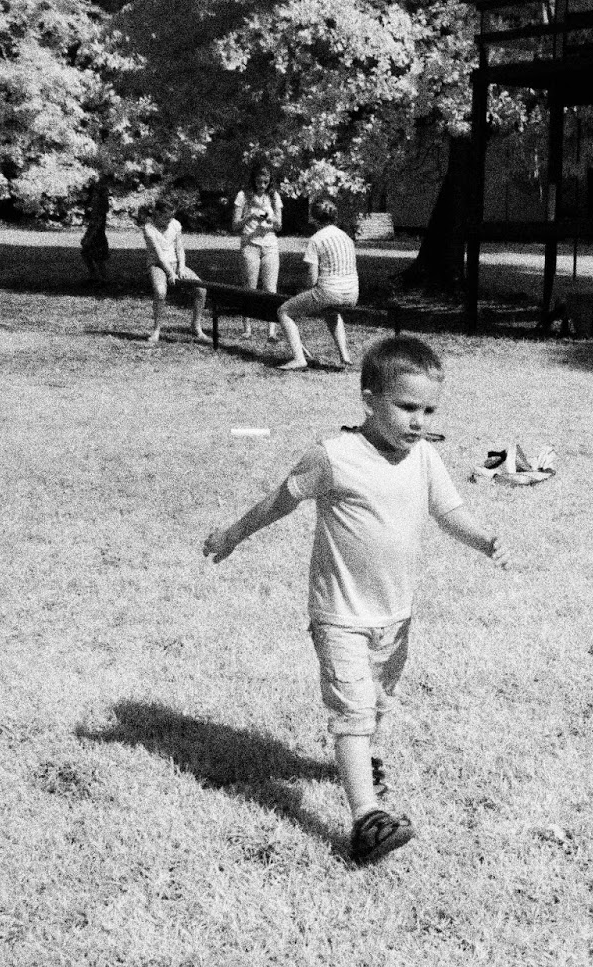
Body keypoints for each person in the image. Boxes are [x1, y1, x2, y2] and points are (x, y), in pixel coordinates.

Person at [202, 336, 508, 865]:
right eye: (407, 407)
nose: (418, 421)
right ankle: (367, 818)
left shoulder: (424, 457)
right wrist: (232, 534)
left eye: (428, 410)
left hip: (396, 615)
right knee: (353, 712)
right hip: (340, 615)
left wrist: (483, 539)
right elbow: (277, 502)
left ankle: (362, 762)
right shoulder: (334, 456)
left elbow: (448, 512)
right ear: (369, 400)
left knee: (378, 703)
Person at [277, 195, 358, 371]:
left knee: (284, 311)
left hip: (329, 292)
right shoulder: (346, 237)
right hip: (352, 293)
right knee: (331, 311)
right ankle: (345, 356)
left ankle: (299, 359)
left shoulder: (316, 239)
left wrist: (301, 292)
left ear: (313, 218)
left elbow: (312, 279)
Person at [140, 198, 205, 344]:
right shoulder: (149, 228)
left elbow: (180, 248)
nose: (169, 221)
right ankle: (156, 330)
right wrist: (171, 273)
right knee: (160, 292)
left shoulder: (175, 224)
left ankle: (196, 326)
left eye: (171, 217)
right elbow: (160, 255)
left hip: (175, 263)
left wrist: (181, 267)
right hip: (157, 265)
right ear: (157, 214)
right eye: (166, 217)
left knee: (201, 289)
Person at [231, 162, 282, 340]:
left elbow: (279, 226)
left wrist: (271, 219)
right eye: (259, 182)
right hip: (250, 244)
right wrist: (249, 217)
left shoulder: (274, 196)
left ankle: (271, 331)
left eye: (265, 182)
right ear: (253, 180)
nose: (262, 186)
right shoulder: (243, 195)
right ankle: (247, 328)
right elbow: (235, 225)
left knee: (270, 288)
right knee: (249, 287)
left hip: (270, 245)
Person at [80, 178, 111, 283]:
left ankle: (103, 278)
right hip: (95, 233)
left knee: (98, 258)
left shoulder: (100, 209)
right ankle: (95, 276)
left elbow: (96, 224)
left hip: (97, 234)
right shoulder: (97, 207)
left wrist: (89, 236)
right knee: (87, 254)